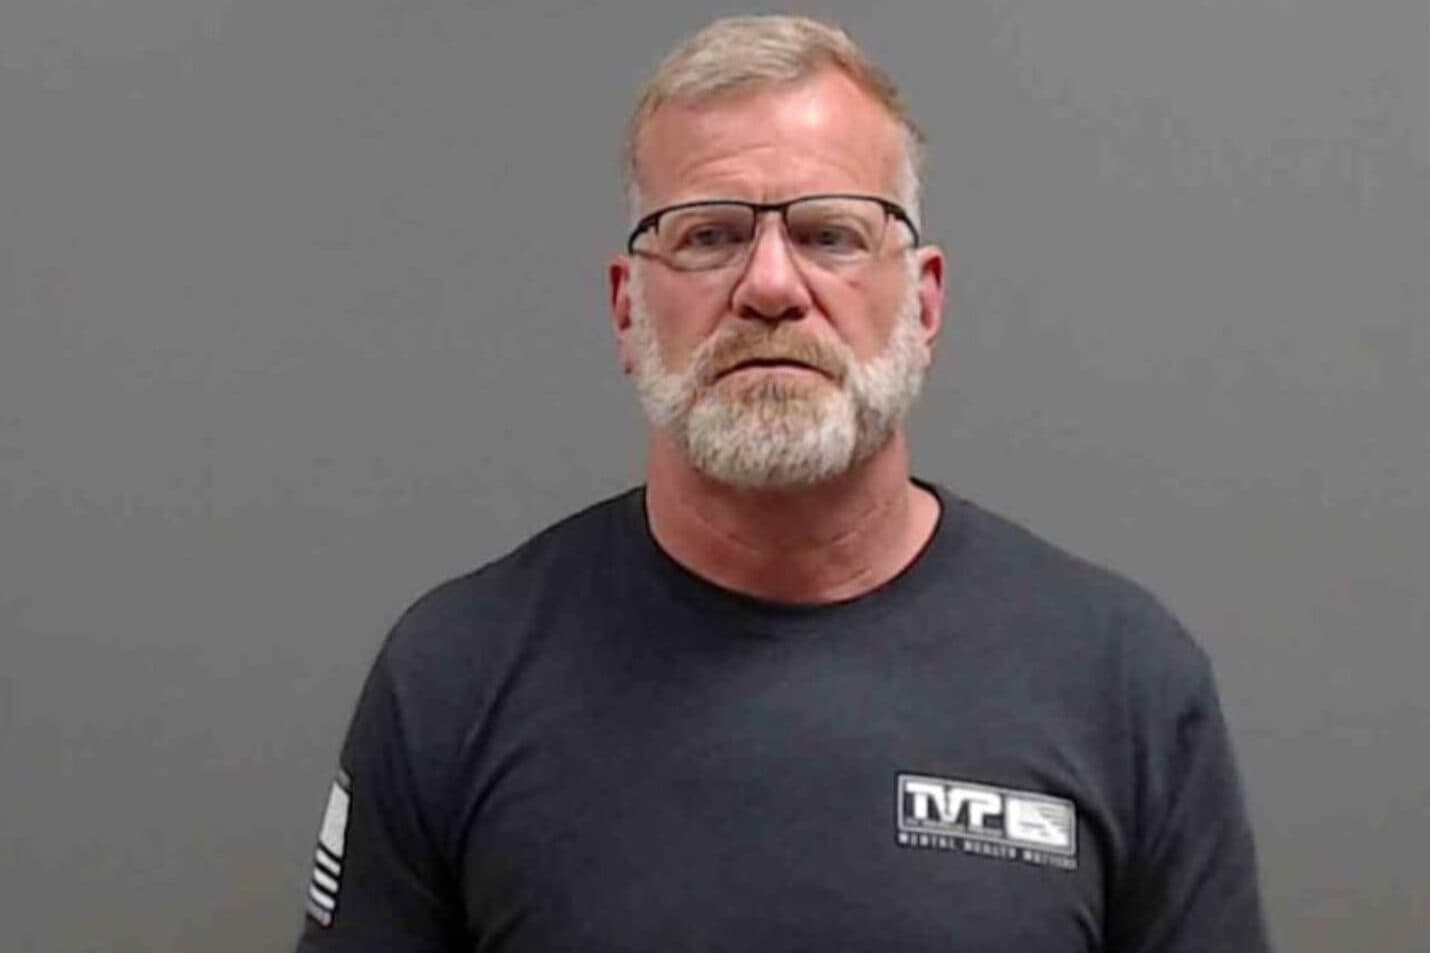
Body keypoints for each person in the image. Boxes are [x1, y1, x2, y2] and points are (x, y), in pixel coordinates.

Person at [295, 15, 1271, 953]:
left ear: (924, 301)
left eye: (830, 234)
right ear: (626, 307)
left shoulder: (1122, 682)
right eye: (708, 235)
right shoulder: (454, 676)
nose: (769, 285)